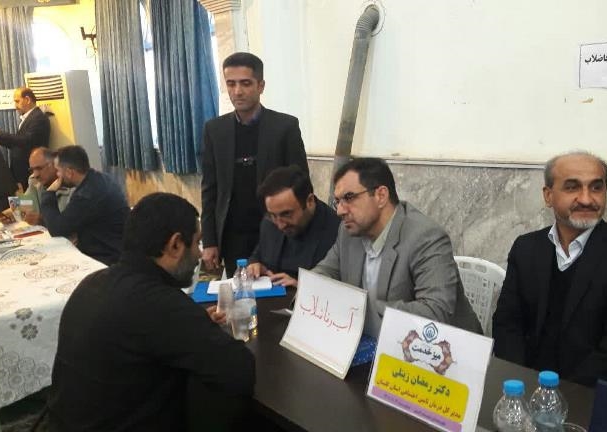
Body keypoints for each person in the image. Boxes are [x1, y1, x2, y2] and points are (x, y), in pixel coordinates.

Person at [48, 193, 255, 430]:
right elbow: (238, 368)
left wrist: (192, 322)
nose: (199, 254)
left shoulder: (92, 283)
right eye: (197, 242)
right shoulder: (161, 304)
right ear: (175, 244)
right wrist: (194, 323)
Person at [492, 151, 607, 387]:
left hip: (589, 394)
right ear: (548, 195)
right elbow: (507, 324)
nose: (586, 199)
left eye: (596, 188)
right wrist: (519, 384)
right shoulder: (526, 248)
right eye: (572, 188)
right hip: (523, 387)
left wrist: (560, 396)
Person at [311, 157, 482, 338]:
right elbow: (325, 271)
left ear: (381, 196)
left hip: (442, 347)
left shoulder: (426, 237)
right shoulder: (348, 232)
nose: (340, 211)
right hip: (375, 339)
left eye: (349, 198)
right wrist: (308, 286)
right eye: (337, 201)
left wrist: (360, 307)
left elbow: (435, 313)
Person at [201, 52, 308, 278]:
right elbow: (210, 189)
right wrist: (209, 240)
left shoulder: (285, 127)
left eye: (245, 83)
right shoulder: (215, 130)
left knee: (279, 291)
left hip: (278, 230)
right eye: (231, 84)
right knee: (241, 294)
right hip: (233, 236)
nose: (237, 91)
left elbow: (302, 184)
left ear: (261, 86)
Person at [247, 165, 340, 288]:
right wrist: (255, 264)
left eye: (287, 214)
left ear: (309, 201)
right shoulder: (269, 221)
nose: (280, 225)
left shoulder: (337, 230)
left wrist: (301, 285)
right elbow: (259, 253)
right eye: (273, 215)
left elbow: (338, 284)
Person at [40, 145, 129, 265]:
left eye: (58, 171)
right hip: (115, 249)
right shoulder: (100, 179)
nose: (57, 175)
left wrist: (49, 194)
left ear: (69, 172)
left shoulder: (87, 194)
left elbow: (57, 229)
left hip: (107, 259)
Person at [0, 87, 50, 190]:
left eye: (17, 101)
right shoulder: (29, 118)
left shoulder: (39, 118)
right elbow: (16, 144)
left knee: (30, 199)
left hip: (30, 172)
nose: (15, 106)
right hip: (22, 173)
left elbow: (25, 141)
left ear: (27, 100)